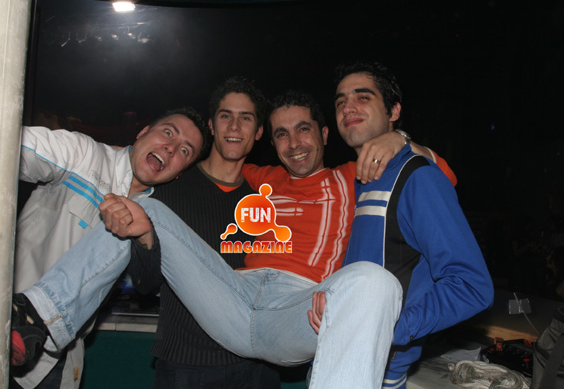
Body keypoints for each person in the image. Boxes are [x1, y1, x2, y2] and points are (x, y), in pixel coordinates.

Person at [12, 89, 458, 388]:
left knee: (372, 281)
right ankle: (38, 318)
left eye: (303, 129)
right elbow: (208, 161)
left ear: (324, 134)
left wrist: (400, 141)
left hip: (297, 310)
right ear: (269, 141)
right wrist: (123, 153)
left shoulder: (351, 177)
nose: (293, 142)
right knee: (143, 209)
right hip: (232, 298)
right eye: (281, 133)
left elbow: (442, 177)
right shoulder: (260, 176)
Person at [307, 61, 494, 388]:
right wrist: (334, 295)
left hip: (378, 370)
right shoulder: (359, 180)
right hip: (336, 350)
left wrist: (388, 327)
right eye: (340, 102)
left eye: (362, 97)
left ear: (393, 111)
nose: (347, 107)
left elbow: (472, 285)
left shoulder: (417, 177)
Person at [11, 107, 208, 389]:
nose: (171, 147)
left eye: (185, 151)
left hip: (59, 359)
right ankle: (32, 312)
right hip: (9, 325)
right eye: (168, 132)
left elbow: (146, 283)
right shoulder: (84, 155)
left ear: (179, 173)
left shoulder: (154, 216)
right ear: (143, 132)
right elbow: (14, 148)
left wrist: (145, 235)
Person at [127, 77, 280, 388]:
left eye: (246, 118)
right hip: (186, 365)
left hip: (258, 365)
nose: (234, 126)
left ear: (259, 131)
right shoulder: (168, 190)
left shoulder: (268, 199)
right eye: (226, 116)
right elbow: (144, 284)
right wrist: (144, 241)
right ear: (211, 125)